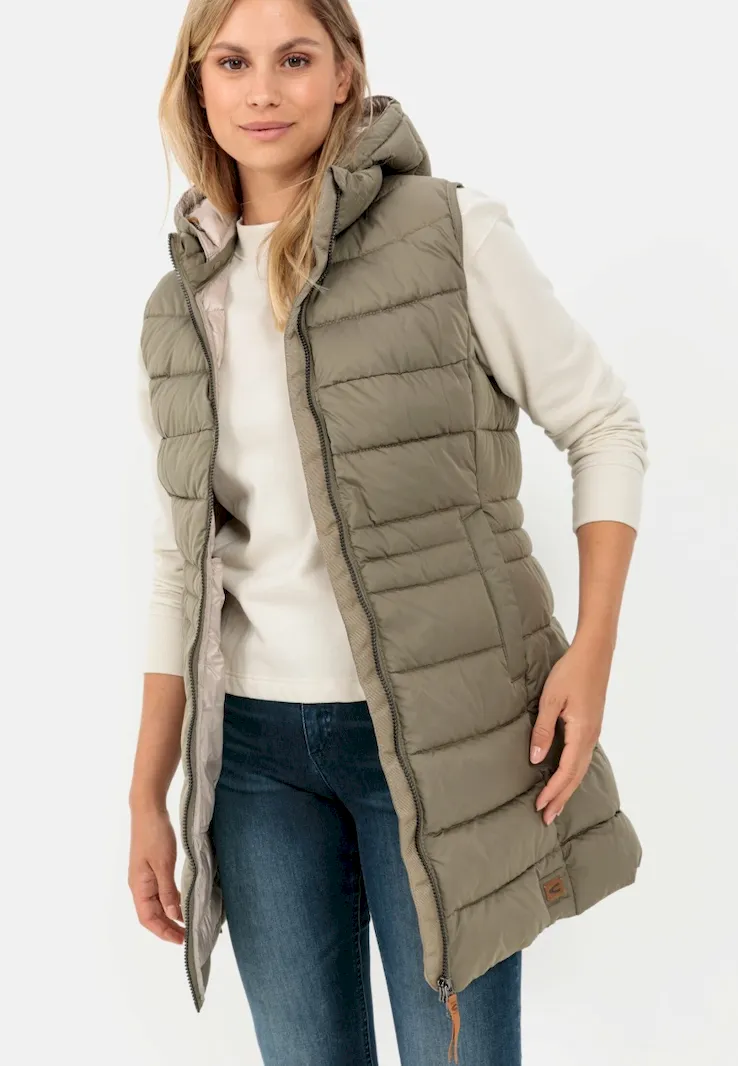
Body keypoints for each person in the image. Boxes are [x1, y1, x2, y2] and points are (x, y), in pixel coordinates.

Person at [128, 1, 649, 1063]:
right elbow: (182, 560)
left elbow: (603, 425)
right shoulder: (180, 307)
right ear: (197, 85)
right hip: (256, 763)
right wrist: (149, 788)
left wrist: (592, 650)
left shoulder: (450, 233)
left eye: (294, 58)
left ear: (343, 73)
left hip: (442, 740)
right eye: (232, 62)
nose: (263, 90)